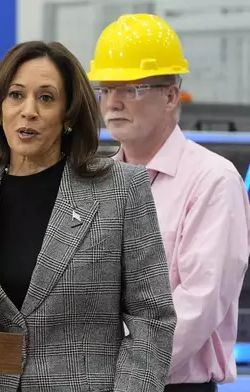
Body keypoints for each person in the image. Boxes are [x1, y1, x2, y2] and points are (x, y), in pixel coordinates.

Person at [0, 40, 177, 391]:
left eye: (46, 98)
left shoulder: (121, 189)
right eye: (16, 95)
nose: (28, 110)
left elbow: (151, 317)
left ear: (68, 115)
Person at [87, 14, 250, 392]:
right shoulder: (98, 181)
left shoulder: (212, 181)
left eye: (133, 88)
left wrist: (125, 374)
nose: (114, 101)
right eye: (107, 88)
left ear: (171, 95)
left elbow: (197, 304)